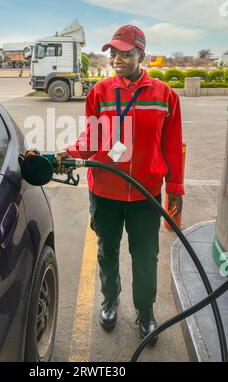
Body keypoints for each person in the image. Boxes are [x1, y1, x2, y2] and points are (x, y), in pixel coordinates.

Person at [56, 25, 184, 344]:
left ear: (142, 55)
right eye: (113, 53)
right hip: (105, 192)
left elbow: (172, 145)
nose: (117, 59)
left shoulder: (165, 96)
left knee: (145, 255)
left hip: (145, 194)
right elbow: (91, 137)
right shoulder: (99, 93)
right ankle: (110, 302)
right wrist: (68, 152)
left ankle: (145, 312)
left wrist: (176, 188)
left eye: (125, 53)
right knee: (107, 250)